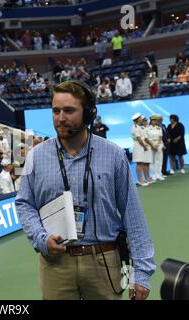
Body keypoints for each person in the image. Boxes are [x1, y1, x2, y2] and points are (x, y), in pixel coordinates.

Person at [16, 80, 155, 300]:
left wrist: (142, 272)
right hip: (56, 263)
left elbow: (132, 213)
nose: (61, 118)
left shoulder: (113, 154)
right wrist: (41, 238)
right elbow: (25, 203)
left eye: (69, 110)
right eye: (56, 111)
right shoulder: (36, 156)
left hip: (104, 261)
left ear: (88, 113)